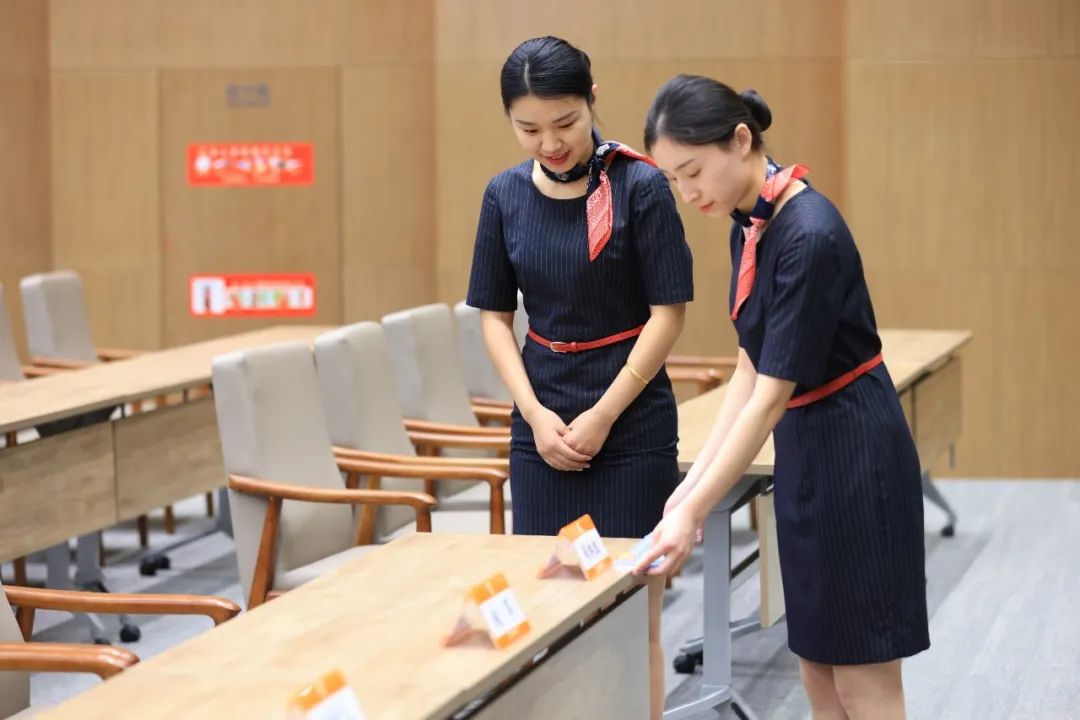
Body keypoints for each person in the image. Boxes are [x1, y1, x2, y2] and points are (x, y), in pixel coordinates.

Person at [636, 75, 929, 720]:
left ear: (741, 141)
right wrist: (690, 492)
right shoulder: (749, 224)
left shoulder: (808, 234)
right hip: (805, 453)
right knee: (817, 671)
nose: (687, 193)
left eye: (693, 172)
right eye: (674, 180)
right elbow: (748, 366)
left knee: (863, 677)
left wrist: (693, 511)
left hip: (855, 454)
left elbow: (768, 398)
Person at [465, 37, 693, 718]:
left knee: (630, 616)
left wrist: (604, 414)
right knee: (546, 610)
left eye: (564, 122)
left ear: (592, 100)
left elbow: (669, 313)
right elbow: (493, 318)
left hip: (629, 423)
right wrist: (534, 414)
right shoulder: (504, 195)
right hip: (542, 425)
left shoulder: (640, 186)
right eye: (529, 129)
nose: (551, 142)